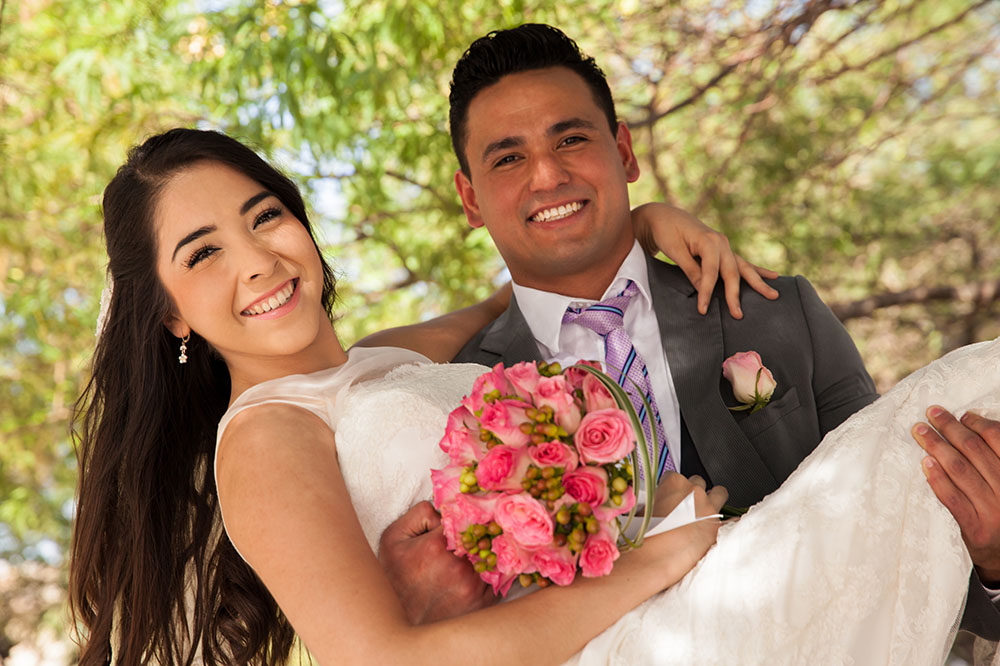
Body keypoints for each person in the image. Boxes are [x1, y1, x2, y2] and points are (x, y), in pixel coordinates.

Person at [378, 23, 1000, 642]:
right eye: (508, 157)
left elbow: (914, 554)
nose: (547, 176)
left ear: (623, 151)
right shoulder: (457, 400)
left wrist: (996, 560)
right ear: (470, 199)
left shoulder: (779, 312)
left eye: (571, 138)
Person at [68, 127, 771, 665]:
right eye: (204, 253)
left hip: (645, 603)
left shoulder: (390, 355)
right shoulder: (264, 436)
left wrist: (640, 223)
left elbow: (516, 295)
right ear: (171, 315)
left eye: (265, 217)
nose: (258, 260)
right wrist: (652, 567)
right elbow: (383, 660)